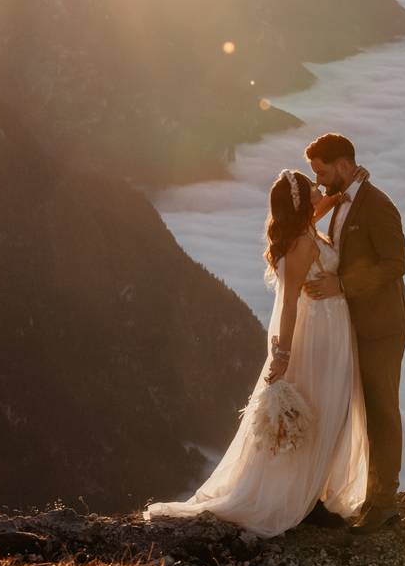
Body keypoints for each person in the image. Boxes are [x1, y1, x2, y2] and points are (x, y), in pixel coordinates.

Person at [144, 169, 369, 537]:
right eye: (313, 189)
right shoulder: (301, 244)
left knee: (329, 410)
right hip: (317, 339)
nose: (319, 190)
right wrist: (282, 353)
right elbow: (289, 306)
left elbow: (313, 214)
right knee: (323, 411)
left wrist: (344, 194)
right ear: (300, 202)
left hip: (329, 332)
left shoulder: (302, 232)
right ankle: (306, 499)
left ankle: (312, 493)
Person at [301, 133, 405, 533]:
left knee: (382, 410)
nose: (319, 180)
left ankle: (384, 503)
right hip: (351, 325)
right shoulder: (343, 198)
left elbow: (396, 263)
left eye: (323, 170)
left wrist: (342, 286)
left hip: (381, 327)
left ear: (344, 165)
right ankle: (362, 493)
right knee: (355, 410)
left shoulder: (378, 205)